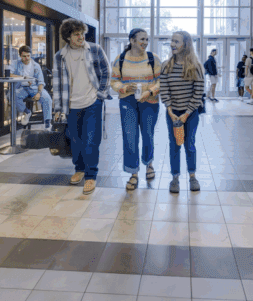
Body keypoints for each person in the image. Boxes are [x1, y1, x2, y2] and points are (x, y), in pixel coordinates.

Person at [52, 19, 110, 195]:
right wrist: (58, 108)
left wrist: (100, 94)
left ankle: (91, 175)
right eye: (76, 34)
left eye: (82, 33)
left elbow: (106, 71)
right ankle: (80, 169)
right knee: (75, 140)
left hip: (92, 102)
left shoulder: (94, 49)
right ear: (68, 37)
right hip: (71, 105)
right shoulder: (60, 56)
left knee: (91, 140)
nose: (81, 37)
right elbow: (57, 83)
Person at [110, 28, 160, 191]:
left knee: (148, 134)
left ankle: (149, 163)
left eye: (147, 39)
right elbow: (114, 81)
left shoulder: (153, 58)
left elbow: (161, 81)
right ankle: (133, 173)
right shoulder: (120, 59)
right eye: (142, 39)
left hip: (149, 101)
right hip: (128, 101)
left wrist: (150, 92)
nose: (145, 42)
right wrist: (124, 88)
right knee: (130, 137)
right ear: (132, 40)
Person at [158, 31, 205, 193]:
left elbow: (198, 92)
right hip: (172, 113)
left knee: (189, 144)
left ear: (185, 45)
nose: (172, 44)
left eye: (176, 41)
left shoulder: (195, 67)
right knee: (174, 145)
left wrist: (186, 113)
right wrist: (170, 110)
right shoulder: (166, 66)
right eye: (172, 41)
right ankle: (175, 178)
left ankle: (192, 176)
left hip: (190, 114)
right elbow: (164, 90)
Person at [9, 45, 52, 128]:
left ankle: (47, 123)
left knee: (47, 98)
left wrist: (39, 93)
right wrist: (23, 77)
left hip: (34, 88)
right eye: (24, 56)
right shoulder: (16, 63)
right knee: (12, 96)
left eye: (28, 55)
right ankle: (27, 112)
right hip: (21, 88)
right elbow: (9, 74)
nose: (27, 58)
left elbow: (41, 82)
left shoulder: (36, 66)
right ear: (20, 56)